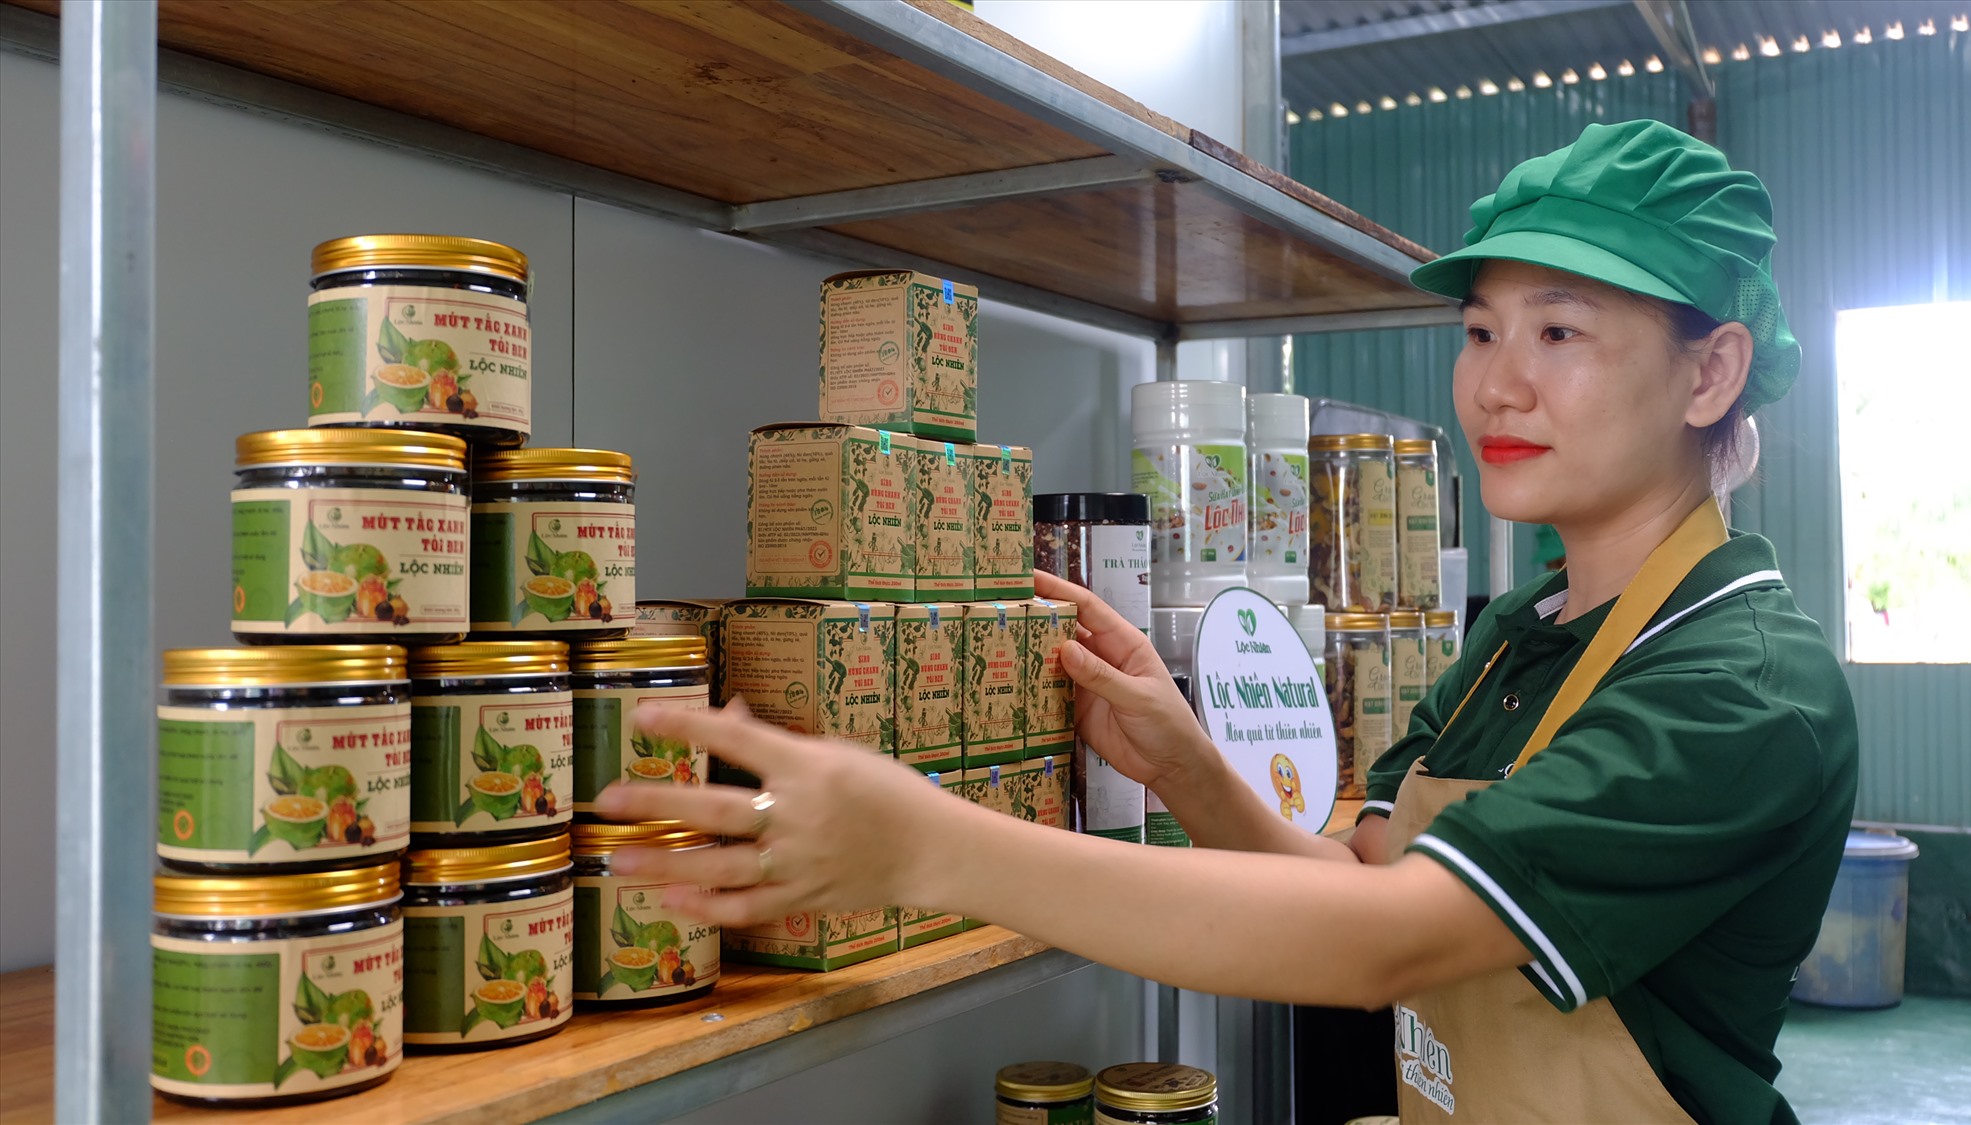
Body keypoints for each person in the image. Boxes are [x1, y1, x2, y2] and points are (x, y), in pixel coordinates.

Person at [596, 120, 1858, 1124]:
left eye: (1560, 331)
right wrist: (1185, 756)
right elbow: (1364, 881)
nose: (1496, 381)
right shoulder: (1524, 629)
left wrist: (931, 846)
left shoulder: (1739, 685)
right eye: (1479, 330)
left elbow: (1392, 945)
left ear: (1709, 372)